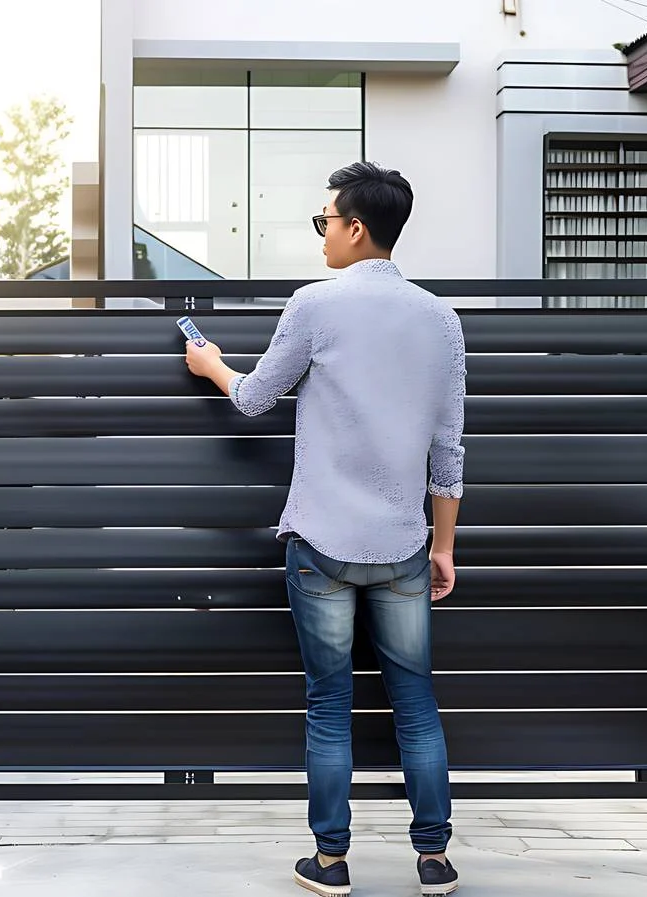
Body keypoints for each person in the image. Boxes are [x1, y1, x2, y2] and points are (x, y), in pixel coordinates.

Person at [184, 161, 466, 897]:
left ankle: (331, 861)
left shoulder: (314, 306)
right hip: (404, 545)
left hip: (322, 545)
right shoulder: (441, 319)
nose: (321, 238)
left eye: (324, 223)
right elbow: (449, 449)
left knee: (329, 702)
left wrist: (212, 364)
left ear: (355, 227)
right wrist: (443, 546)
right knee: (416, 701)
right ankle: (433, 858)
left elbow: (252, 399)